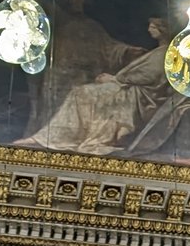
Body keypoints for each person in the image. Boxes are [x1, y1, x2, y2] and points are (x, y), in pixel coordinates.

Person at [14, 16, 180, 156]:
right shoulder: (159, 51)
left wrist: (115, 79)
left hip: (139, 96)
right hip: (129, 89)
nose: (149, 29)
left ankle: (56, 138)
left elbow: (148, 76)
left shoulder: (165, 53)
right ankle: (53, 137)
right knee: (81, 92)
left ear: (163, 30)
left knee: (83, 93)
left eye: (153, 26)